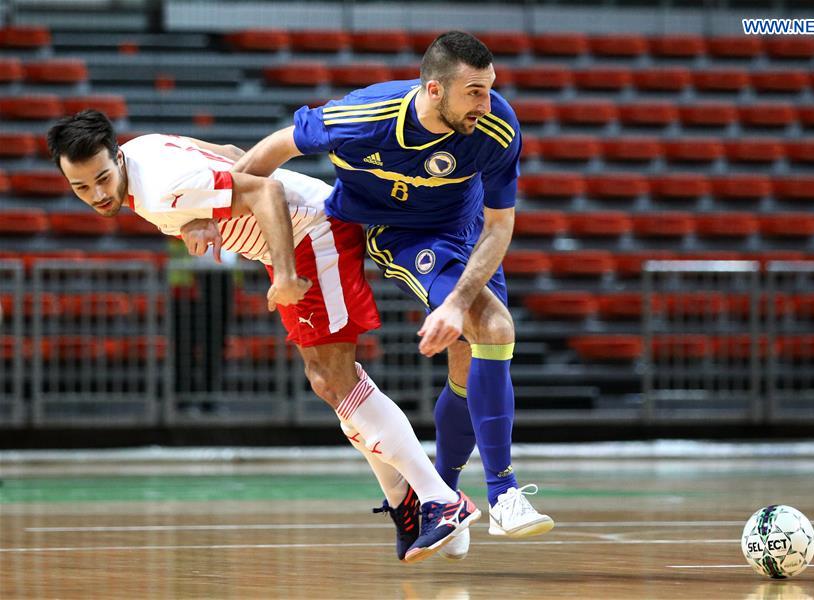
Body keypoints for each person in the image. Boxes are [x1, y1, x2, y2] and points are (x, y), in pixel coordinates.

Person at [45, 109, 480, 564]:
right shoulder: (141, 151)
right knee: (327, 381)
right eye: (80, 187)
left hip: (314, 233)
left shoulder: (157, 188)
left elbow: (266, 189)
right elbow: (236, 157)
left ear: (115, 157)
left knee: (334, 379)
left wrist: (286, 275)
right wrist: (202, 218)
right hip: (295, 239)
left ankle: (439, 500)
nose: (96, 194)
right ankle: (407, 502)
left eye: (101, 179)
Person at [229, 30, 555, 559]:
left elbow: (499, 227)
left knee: (469, 360)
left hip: (466, 230)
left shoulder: (497, 126)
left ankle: (442, 500)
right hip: (398, 233)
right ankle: (504, 494)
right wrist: (219, 212)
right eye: (474, 91)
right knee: (493, 327)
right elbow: (274, 148)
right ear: (433, 90)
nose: (487, 102)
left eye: (490, 88)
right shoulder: (362, 118)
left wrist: (454, 304)